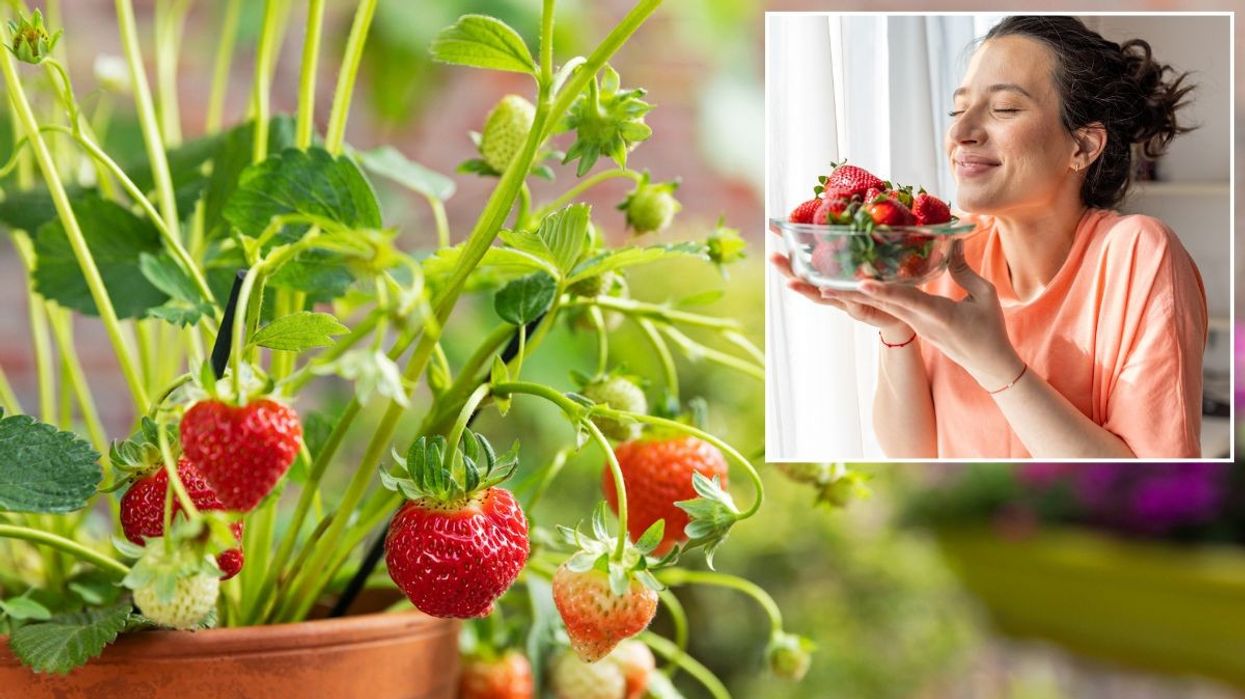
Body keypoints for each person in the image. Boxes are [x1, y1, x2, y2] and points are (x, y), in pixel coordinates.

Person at [773, 16, 1206, 458]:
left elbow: (1154, 481)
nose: (961, 133)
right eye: (958, 110)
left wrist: (994, 362)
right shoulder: (945, 244)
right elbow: (912, 453)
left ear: (1083, 147)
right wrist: (896, 327)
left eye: (1004, 109)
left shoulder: (1137, 253)